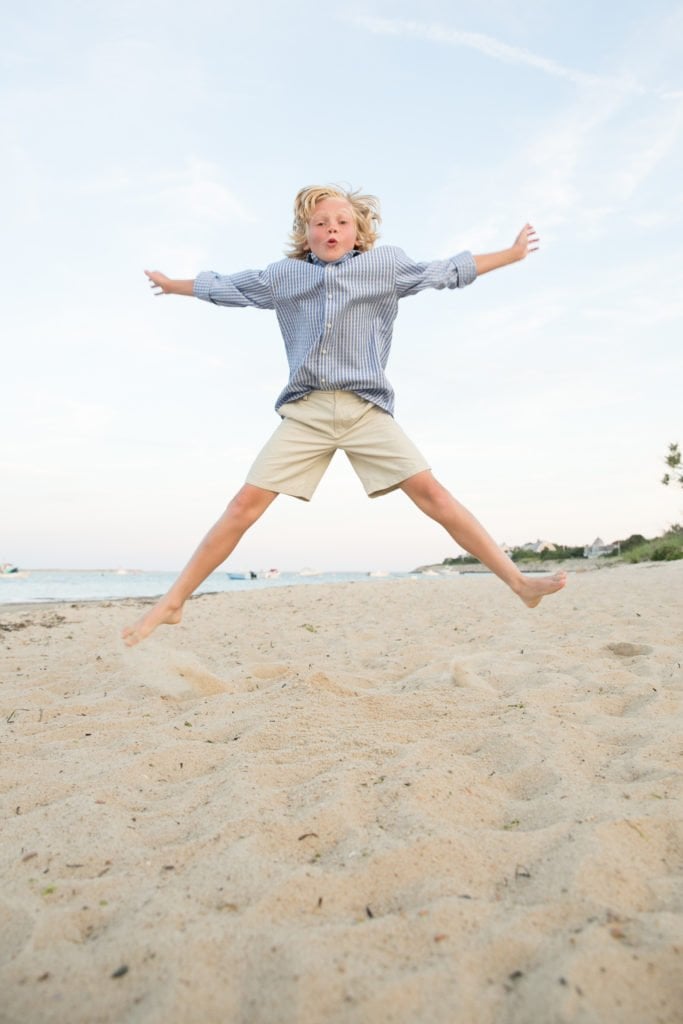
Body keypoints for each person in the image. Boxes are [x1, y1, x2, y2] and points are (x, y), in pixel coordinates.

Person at [122, 184, 566, 646]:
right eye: (320, 223)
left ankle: (519, 584)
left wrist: (512, 255)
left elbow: (445, 272)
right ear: (306, 233)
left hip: (364, 409)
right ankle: (173, 602)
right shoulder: (284, 276)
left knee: (433, 495)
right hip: (307, 412)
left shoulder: (384, 266)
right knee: (242, 507)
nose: (331, 228)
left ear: (358, 233)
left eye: (342, 222)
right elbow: (227, 287)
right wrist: (174, 286)